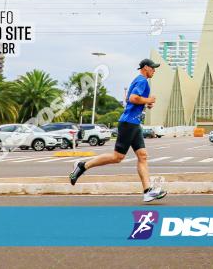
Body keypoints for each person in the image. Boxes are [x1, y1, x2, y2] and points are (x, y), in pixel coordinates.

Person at [69, 58, 167, 202]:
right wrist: (148, 100)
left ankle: (148, 191)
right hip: (129, 123)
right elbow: (133, 98)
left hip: (134, 123)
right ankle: (83, 165)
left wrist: (146, 103)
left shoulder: (139, 80)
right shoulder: (142, 81)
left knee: (143, 156)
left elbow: (132, 99)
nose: (154, 70)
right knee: (117, 157)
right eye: (153, 68)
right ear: (145, 67)